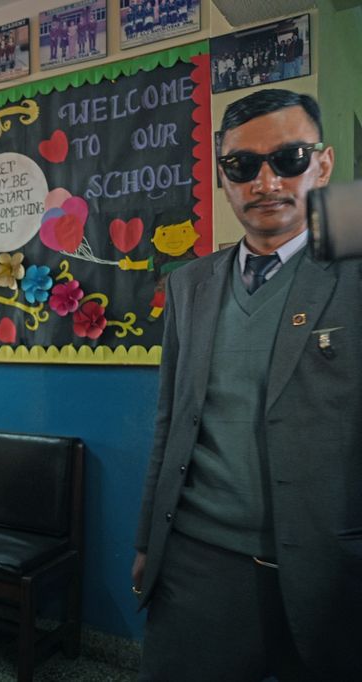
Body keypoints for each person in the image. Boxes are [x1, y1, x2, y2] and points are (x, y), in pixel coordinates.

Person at [132, 89, 362, 680]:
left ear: (324, 164)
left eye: (289, 159)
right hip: (195, 565)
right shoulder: (190, 284)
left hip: (326, 567)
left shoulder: (352, 272)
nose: (266, 182)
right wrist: (145, 543)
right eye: (242, 166)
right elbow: (169, 420)